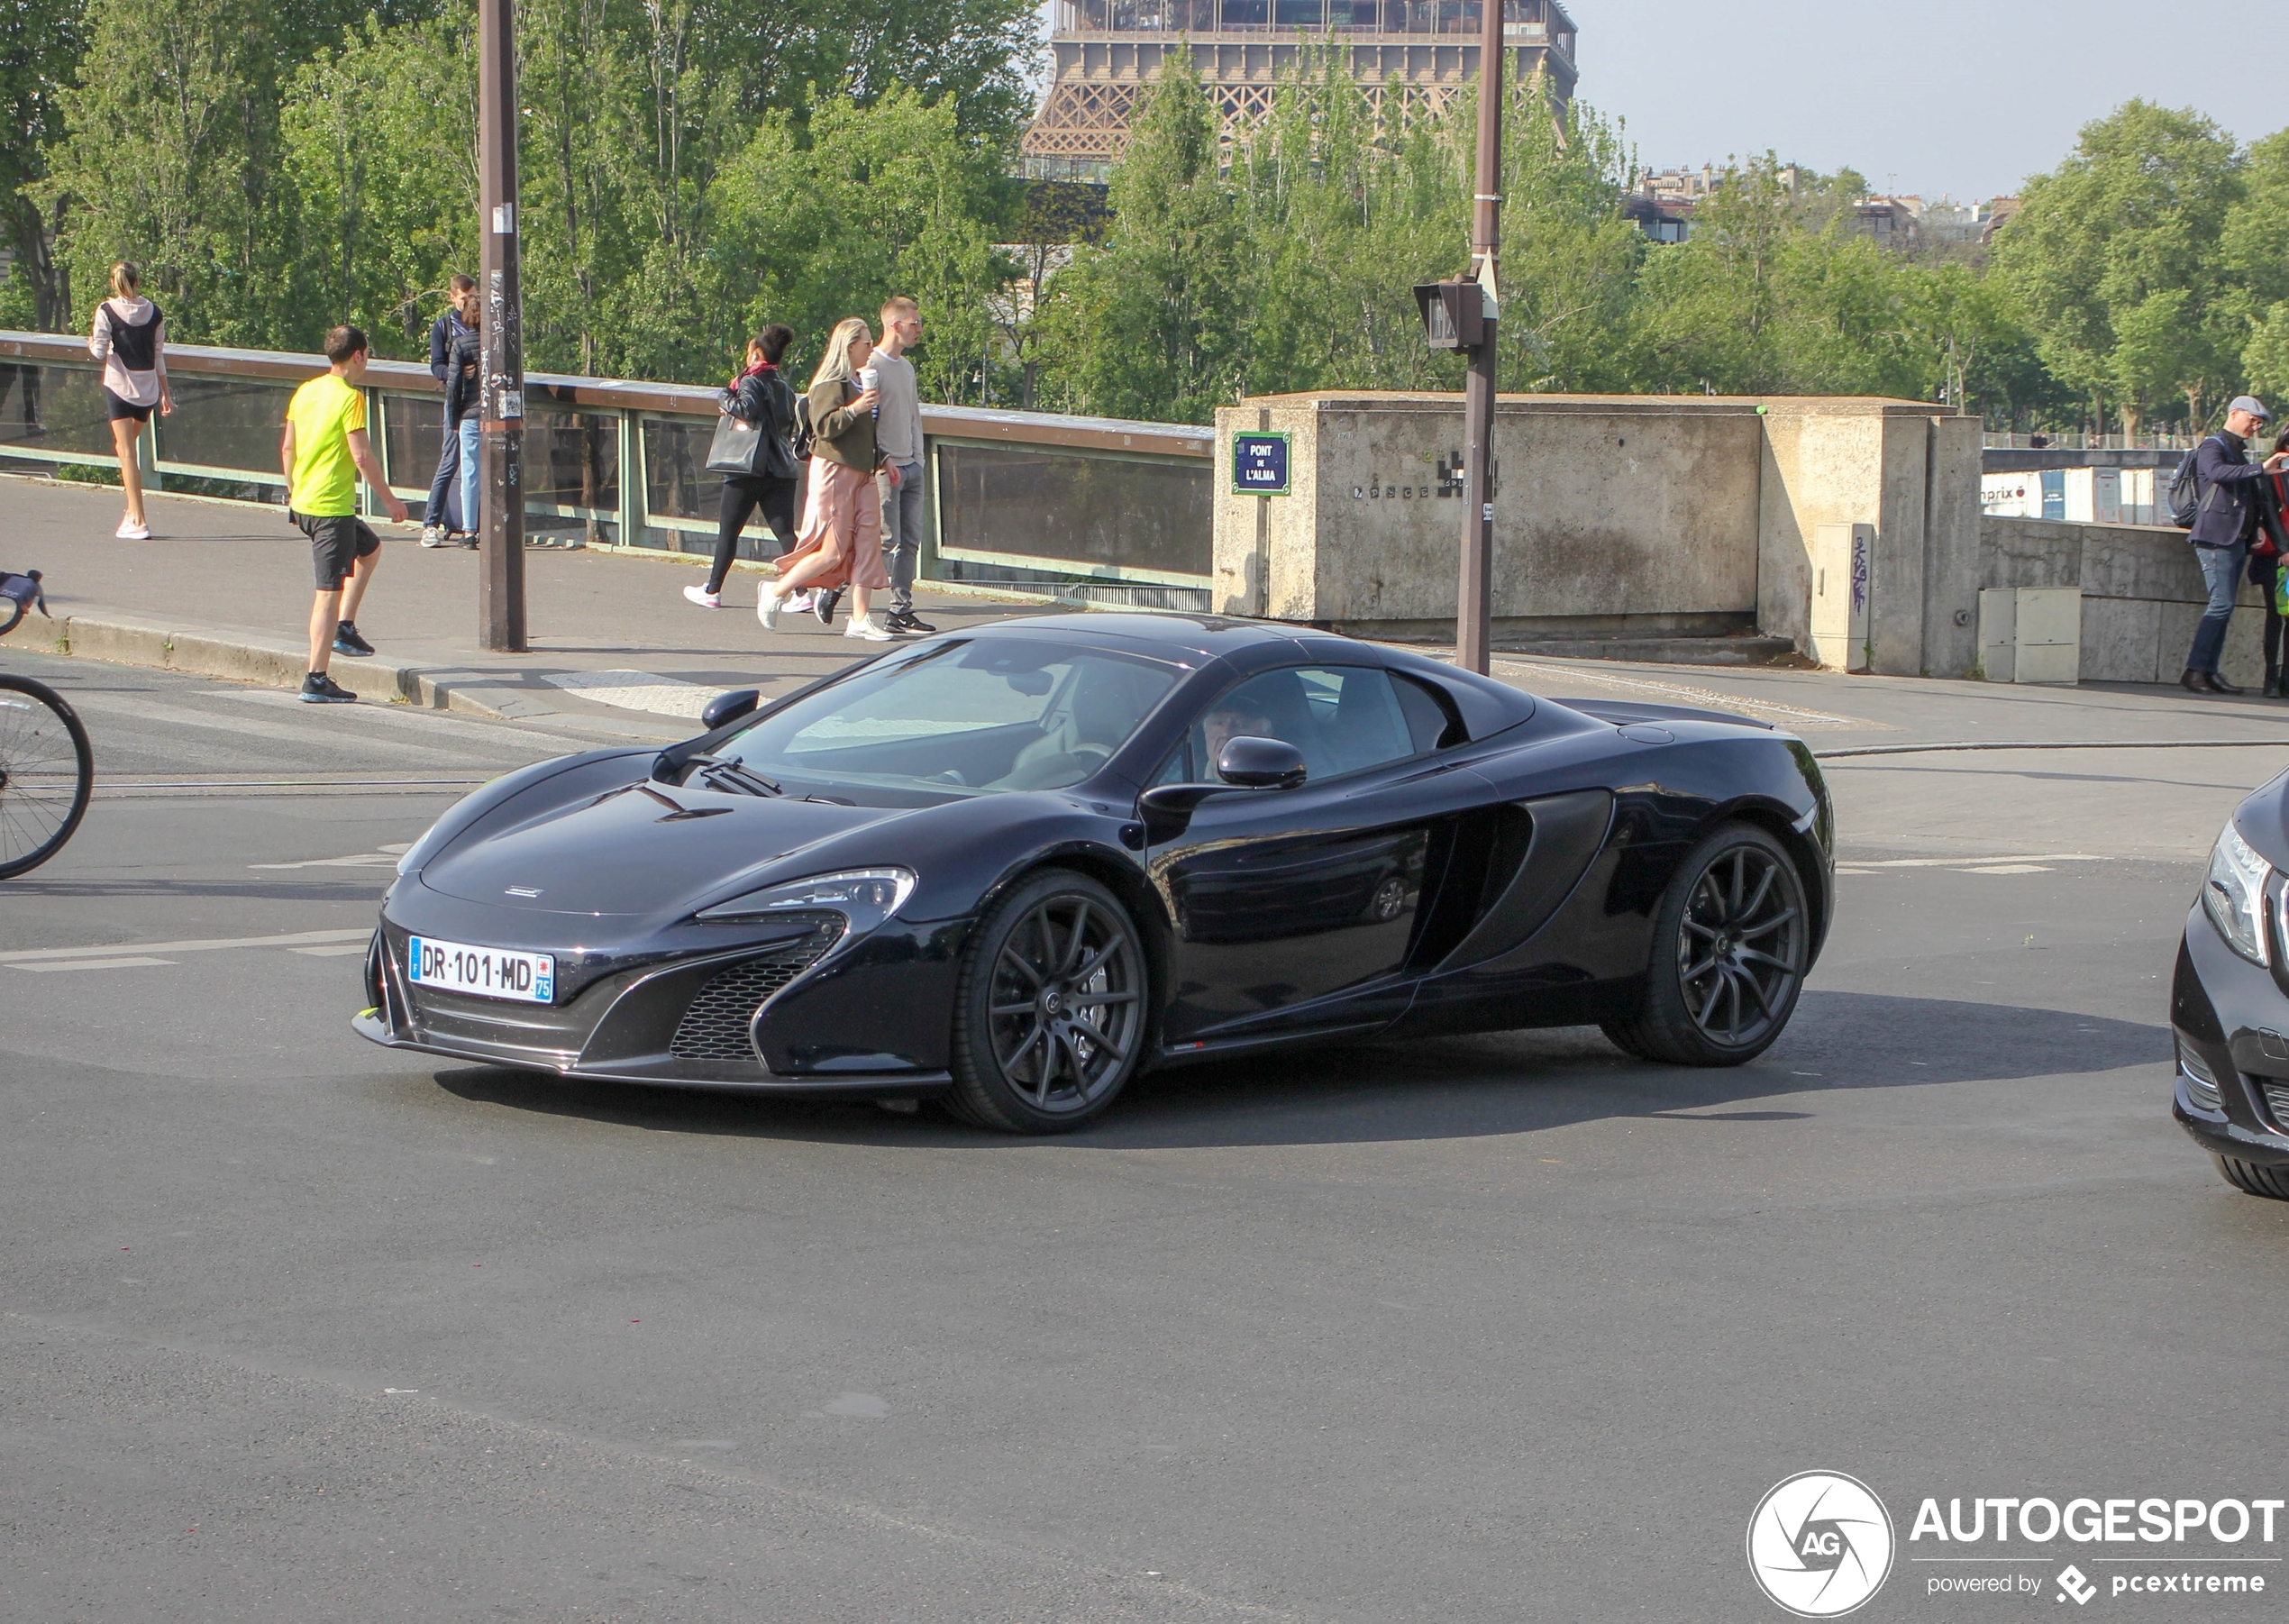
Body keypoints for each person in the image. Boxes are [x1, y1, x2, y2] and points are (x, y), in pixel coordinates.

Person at [281, 324, 408, 703]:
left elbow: (287, 448)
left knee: (369, 549)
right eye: (367, 354)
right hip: (330, 508)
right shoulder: (350, 398)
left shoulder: (306, 390)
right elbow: (361, 456)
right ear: (358, 355)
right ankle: (316, 677)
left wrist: (293, 491)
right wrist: (390, 501)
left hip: (304, 501)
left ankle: (344, 628)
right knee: (326, 592)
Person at [756, 317, 899, 643]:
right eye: (866, 343)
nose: (871, 348)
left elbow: (865, 433)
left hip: (863, 471)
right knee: (833, 551)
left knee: (868, 544)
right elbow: (824, 428)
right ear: (849, 347)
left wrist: (884, 459)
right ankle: (776, 591)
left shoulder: (861, 383)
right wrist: (854, 409)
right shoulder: (830, 385)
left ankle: (860, 617)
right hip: (834, 472)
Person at [685, 324, 799, 609]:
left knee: (729, 530)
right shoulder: (785, 388)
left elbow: (747, 409)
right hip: (781, 470)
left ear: (757, 354)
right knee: (786, 534)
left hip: (748, 468)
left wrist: (725, 397)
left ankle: (712, 591)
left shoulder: (750, 381)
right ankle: (803, 593)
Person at [2184, 397, 2289, 696]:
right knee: (2220, 605)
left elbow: (2252, 500)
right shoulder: (2213, 446)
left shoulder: (2237, 452)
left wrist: (2255, 525)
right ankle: (2195, 670)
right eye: (2252, 420)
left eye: (2258, 424)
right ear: (2234, 413)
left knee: (2224, 607)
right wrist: (2260, 469)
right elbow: (2218, 474)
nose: (2254, 427)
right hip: (2216, 538)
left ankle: (2209, 671)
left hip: (2235, 540)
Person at [87, 262, 170, 540]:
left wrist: (91, 342)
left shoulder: (106, 311)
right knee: (125, 450)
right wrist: (165, 393)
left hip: (119, 387)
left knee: (126, 453)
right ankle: (131, 513)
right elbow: (158, 355)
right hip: (147, 392)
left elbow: (99, 352)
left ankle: (139, 519)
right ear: (137, 282)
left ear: (113, 283)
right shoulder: (154, 312)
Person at [869, 296, 935, 635]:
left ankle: (900, 610)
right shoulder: (872, 367)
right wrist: (883, 460)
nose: (919, 330)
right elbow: (867, 423)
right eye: (914, 323)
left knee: (910, 541)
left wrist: (918, 459)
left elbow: (913, 416)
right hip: (885, 467)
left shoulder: (906, 369)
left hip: (911, 465)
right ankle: (838, 588)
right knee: (884, 539)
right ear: (894, 326)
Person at [423, 275, 482, 548]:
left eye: (472, 296)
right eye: (464, 297)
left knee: (474, 466)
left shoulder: (484, 326)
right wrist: (456, 371)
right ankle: (431, 523)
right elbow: (436, 366)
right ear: (453, 297)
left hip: (476, 406)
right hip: (457, 402)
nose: (469, 302)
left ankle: (471, 525)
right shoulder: (444, 327)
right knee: (451, 461)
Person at [2253, 426, 2289, 697]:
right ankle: (2270, 677)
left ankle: (2286, 676)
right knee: (2276, 615)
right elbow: (2269, 514)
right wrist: (2283, 549)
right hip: (2275, 555)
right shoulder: (2271, 473)